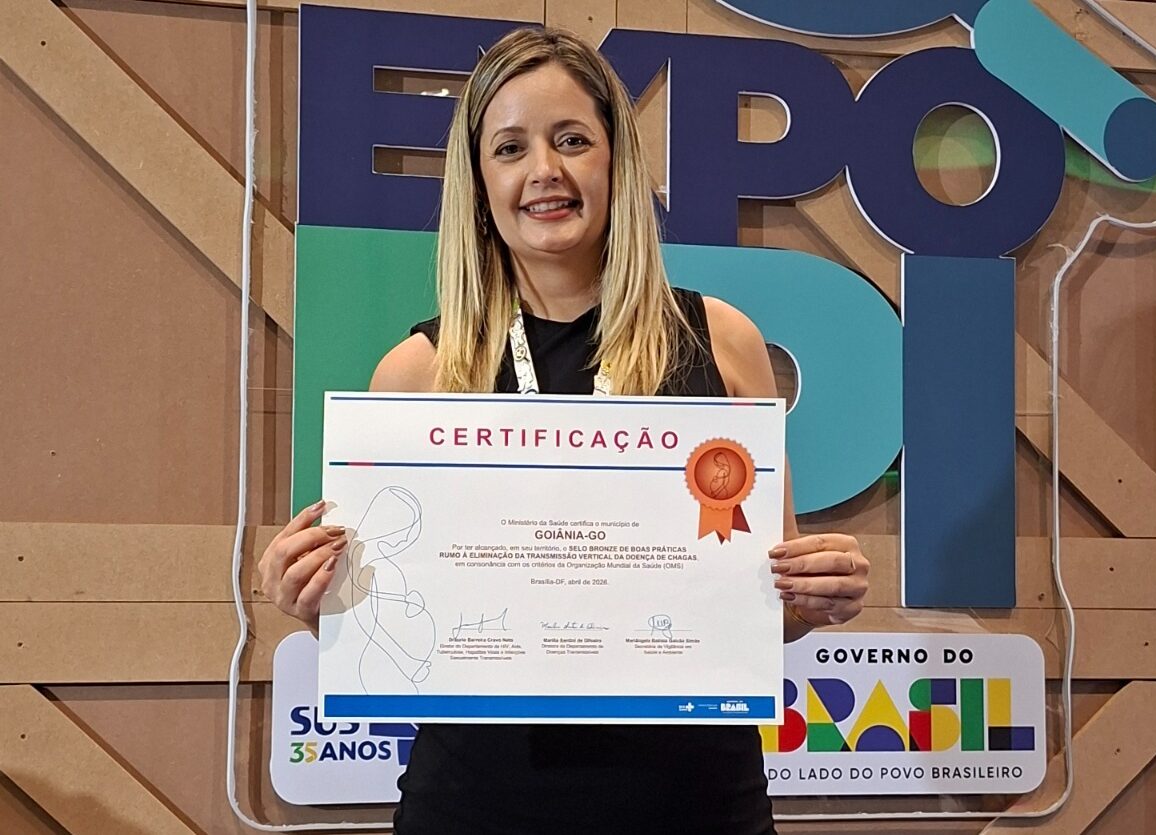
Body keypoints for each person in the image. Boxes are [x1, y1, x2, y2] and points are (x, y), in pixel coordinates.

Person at [259, 26, 870, 835]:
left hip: (696, 806)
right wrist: (316, 599)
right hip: (476, 810)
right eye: (510, 148)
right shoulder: (416, 373)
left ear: (616, 162)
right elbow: (388, 624)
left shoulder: (721, 342)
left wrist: (818, 595)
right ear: (480, 182)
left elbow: (766, 610)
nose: (544, 169)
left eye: (572, 140)